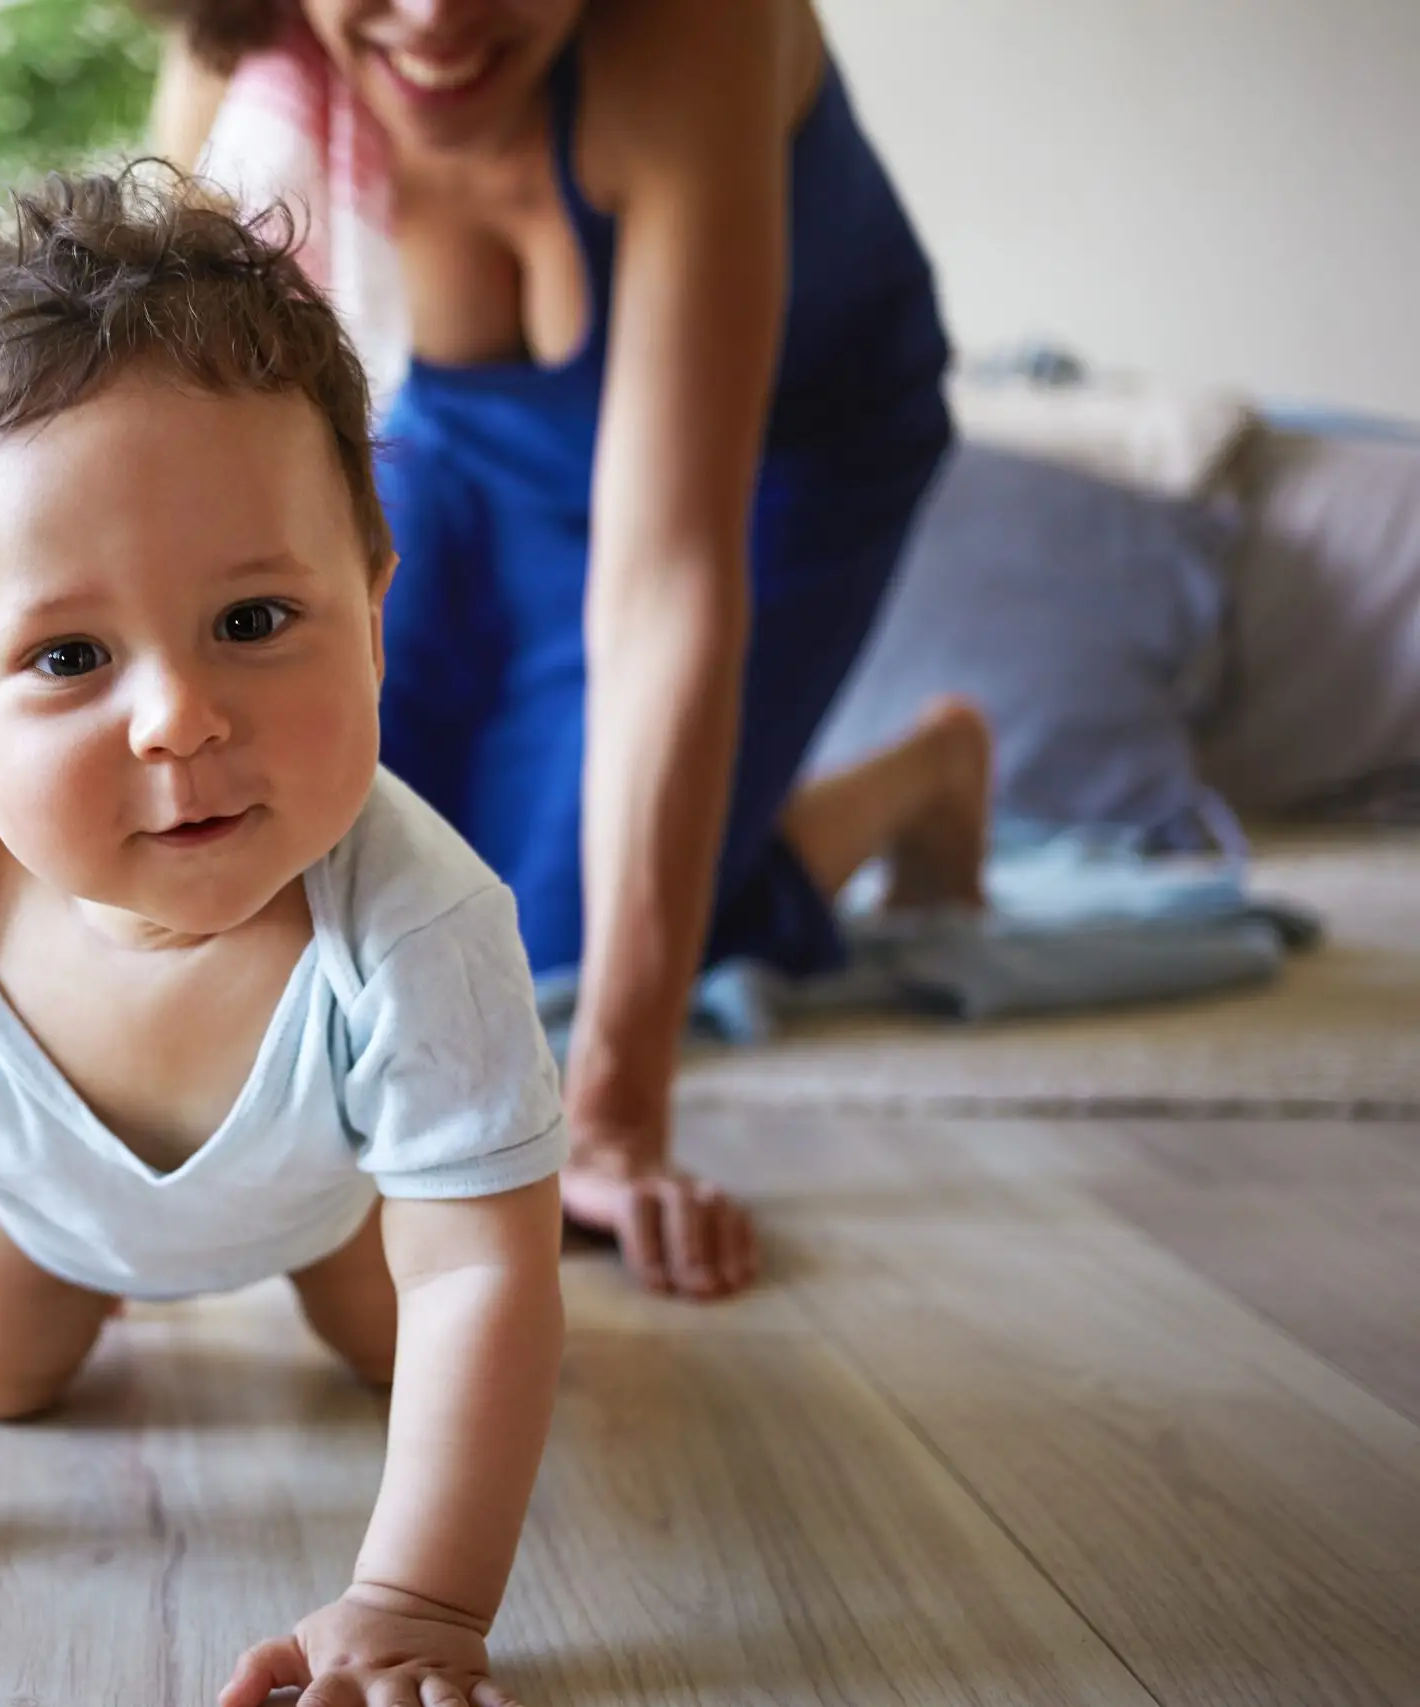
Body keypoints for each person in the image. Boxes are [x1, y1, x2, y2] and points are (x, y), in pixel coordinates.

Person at [0, 169, 564, 1707]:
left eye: (256, 621)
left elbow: (484, 1266)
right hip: (32, 1200)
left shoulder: (421, 922)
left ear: (370, 608)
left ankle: (343, 1230)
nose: (180, 716)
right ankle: (66, 1258)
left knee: (421, 1356)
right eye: (70, 655)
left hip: (335, 1190)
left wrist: (417, 1600)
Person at [148, 0, 992, 1301]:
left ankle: (921, 774)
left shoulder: (703, 33)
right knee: (329, 840)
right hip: (477, 444)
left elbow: (668, 586)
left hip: (785, 459)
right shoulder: (248, 58)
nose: (433, 16)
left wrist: (613, 1110)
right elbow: (154, 461)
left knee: (542, 940)